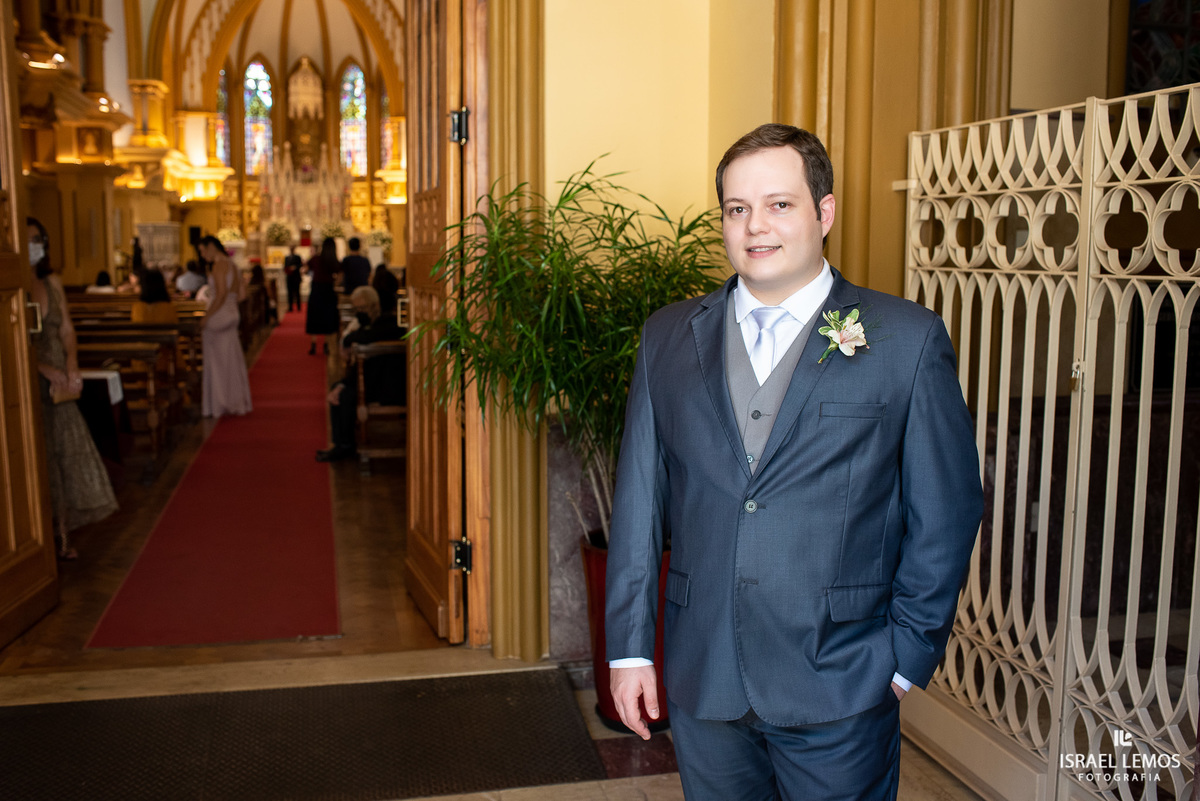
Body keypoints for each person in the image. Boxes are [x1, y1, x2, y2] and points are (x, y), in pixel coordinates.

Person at [604, 124, 984, 801]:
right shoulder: (667, 336)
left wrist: (903, 654)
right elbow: (639, 501)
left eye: (779, 204)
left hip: (843, 675)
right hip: (706, 676)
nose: (756, 226)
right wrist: (631, 649)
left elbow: (947, 510)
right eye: (737, 209)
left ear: (824, 212)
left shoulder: (905, 340)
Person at [27, 217, 119, 559]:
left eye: (37, 239)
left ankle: (63, 534)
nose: (33, 245)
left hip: (59, 383)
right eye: (26, 240)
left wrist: (71, 363)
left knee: (67, 454)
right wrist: (41, 367)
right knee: (40, 457)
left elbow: (66, 328)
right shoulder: (11, 286)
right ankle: (39, 537)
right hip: (27, 379)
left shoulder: (52, 282)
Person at [316, 286, 404, 462]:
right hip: (376, 381)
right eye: (357, 309)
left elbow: (368, 337)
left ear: (373, 305)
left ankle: (345, 446)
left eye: (363, 308)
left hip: (390, 387)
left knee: (345, 394)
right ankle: (341, 444)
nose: (360, 313)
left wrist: (350, 338)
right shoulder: (369, 325)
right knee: (340, 389)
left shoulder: (387, 322)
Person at [197, 235, 252, 417]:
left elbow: (220, 294)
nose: (203, 255)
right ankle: (235, 399)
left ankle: (219, 403)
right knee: (231, 359)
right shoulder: (234, 266)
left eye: (203, 251)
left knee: (216, 362)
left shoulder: (219, 265)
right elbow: (242, 295)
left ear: (211, 246)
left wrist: (207, 317)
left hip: (219, 316)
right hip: (232, 313)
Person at [305, 237, 341, 355]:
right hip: (328, 291)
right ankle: (326, 345)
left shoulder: (316, 259)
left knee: (314, 316)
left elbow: (305, 268)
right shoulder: (333, 260)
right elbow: (340, 274)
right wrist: (335, 282)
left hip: (316, 290)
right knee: (326, 317)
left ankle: (313, 344)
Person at [283, 245, 303, 312]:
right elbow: (285, 266)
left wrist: (295, 267)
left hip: (296, 277)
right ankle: (290, 307)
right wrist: (287, 270)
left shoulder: (297, 257)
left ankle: (299, 307)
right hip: (289, 277)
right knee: (290, 293)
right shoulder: (287, 258)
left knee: (297, 293)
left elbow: (300, 265)